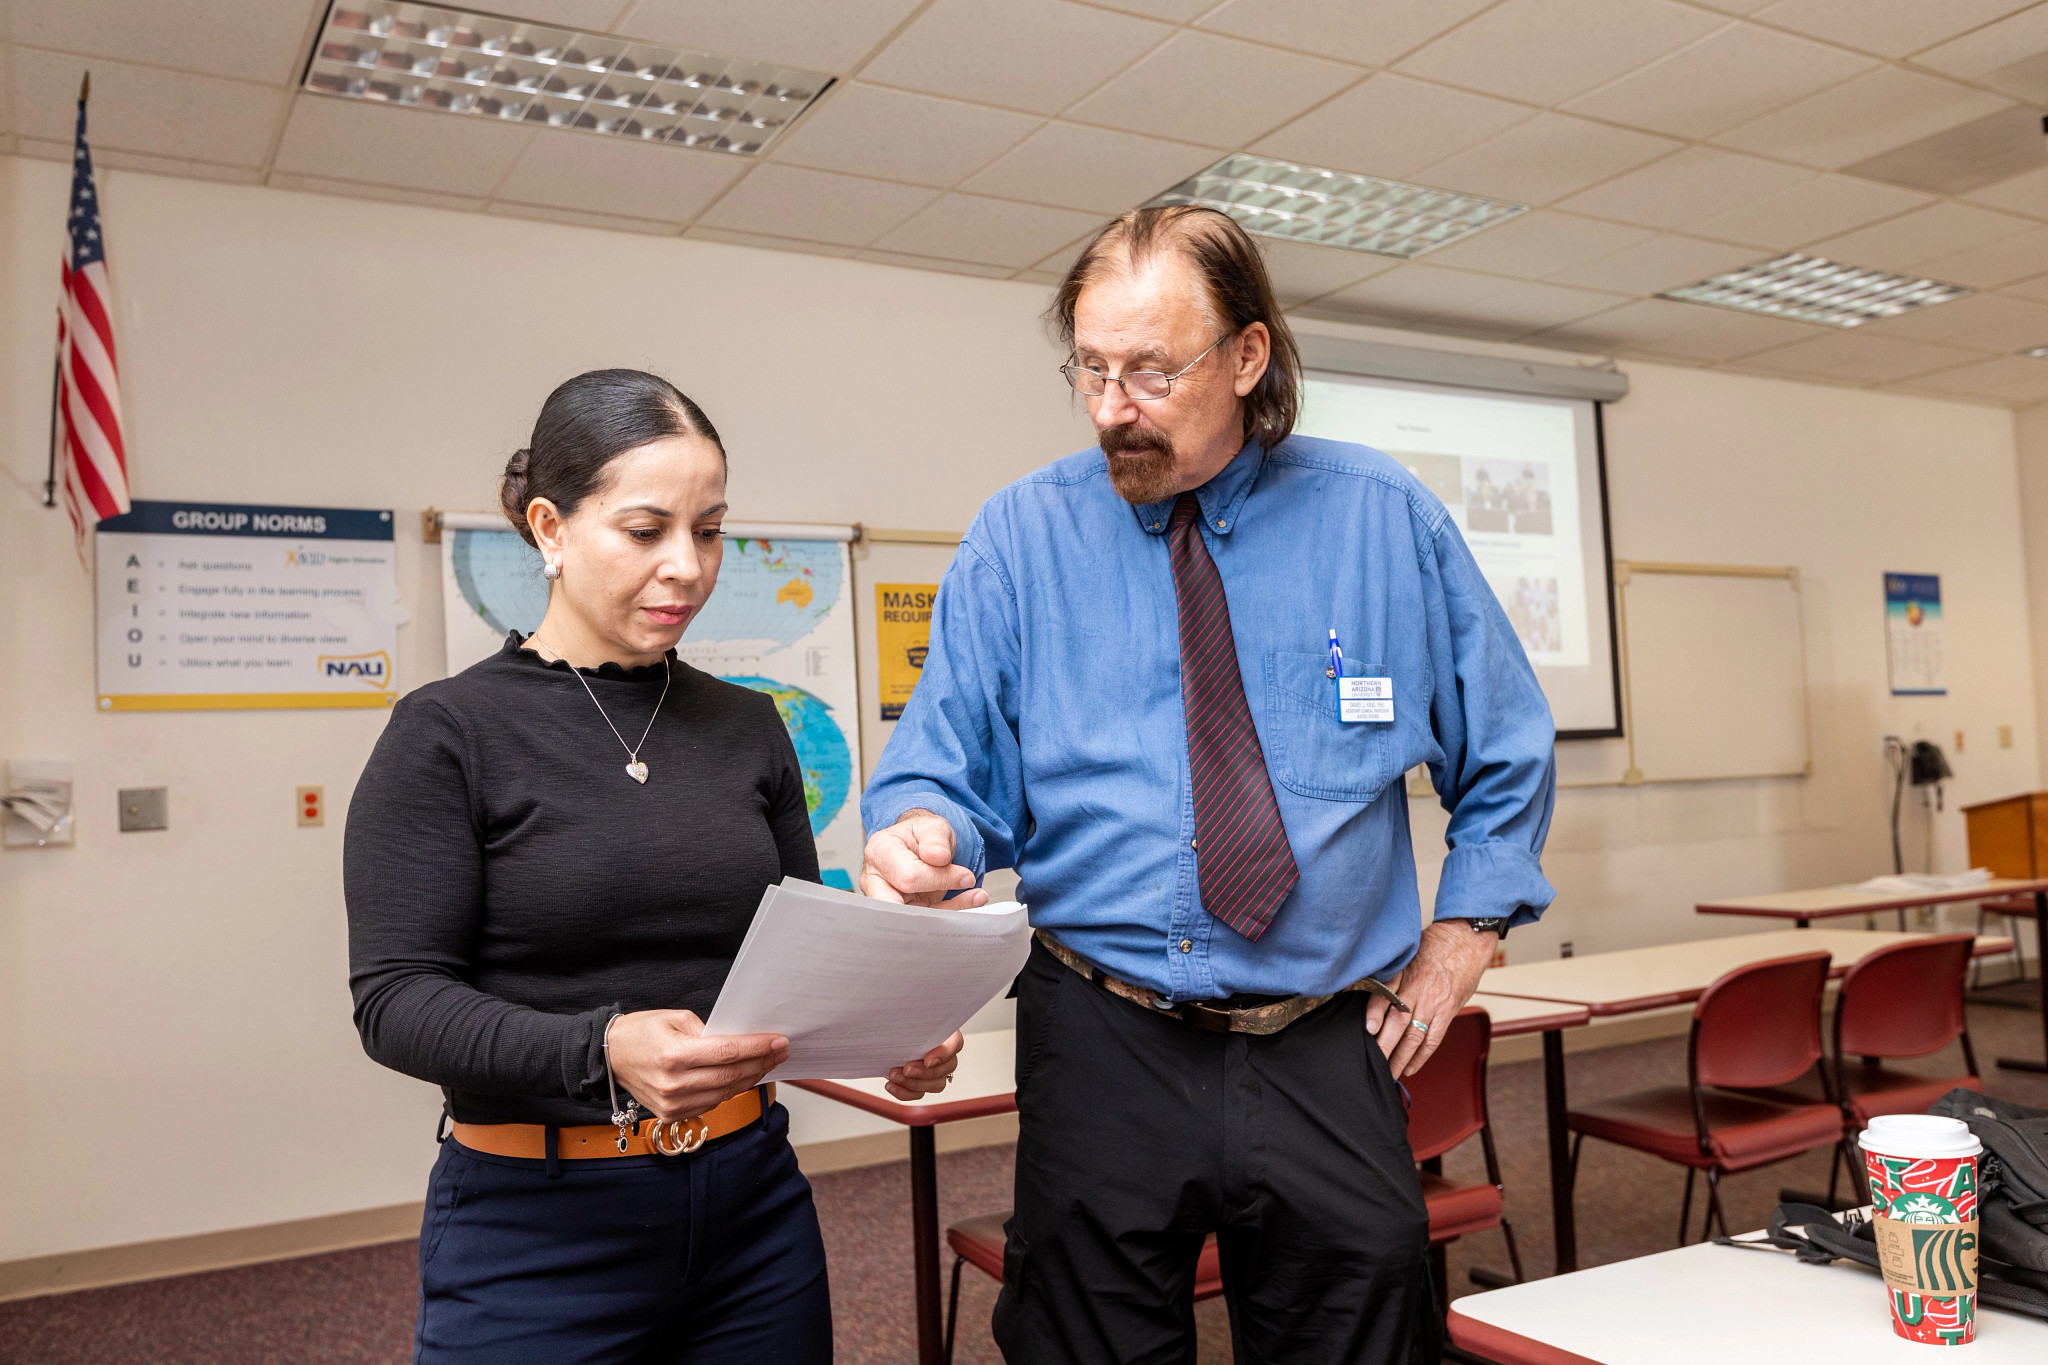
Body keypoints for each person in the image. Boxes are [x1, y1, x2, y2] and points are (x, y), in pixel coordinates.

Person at [859, 208, 1557, 1365]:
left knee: (1358, 1341)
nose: (1108, 405)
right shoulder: (1018, 540)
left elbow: (1505, 747)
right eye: (1088, 367)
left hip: (1330, 1041)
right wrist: (922, 835)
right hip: (1101, 1035)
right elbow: (944, 768)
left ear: (1246, 357)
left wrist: (1462, 935)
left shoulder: (1381, 521)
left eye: (1149, 370)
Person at [344, 369, 960, 1363]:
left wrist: (888, 1029)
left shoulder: (748, 725)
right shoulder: (447, 733)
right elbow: (396, 1002)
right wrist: (602, 1051)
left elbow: (793, 954)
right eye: (645, 530)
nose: (687, 565)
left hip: (751, 1208)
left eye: (708, 529)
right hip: (535, 1229)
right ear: (549, 528)